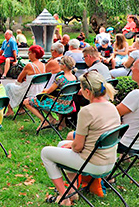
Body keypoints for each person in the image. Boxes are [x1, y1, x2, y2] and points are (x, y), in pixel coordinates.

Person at [40, 71, 120, 205]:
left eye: (81, 88)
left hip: (94, 164)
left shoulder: (87, 111)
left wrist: (72, 146)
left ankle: (64, 197)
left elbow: (77, 147)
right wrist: (70, 145)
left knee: (46, 153)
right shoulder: (112, 107)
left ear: (87, 91)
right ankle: (72, 191)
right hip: (109, 162)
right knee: (62, 144)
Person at [24, 56, 77, 131]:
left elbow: (49, 91)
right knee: (43, 99)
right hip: (68, 104)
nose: (59, 65)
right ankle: (52, 119)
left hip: (58, 105)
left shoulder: (61, 78)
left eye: (60, 63)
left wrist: (43, 91)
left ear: (64, 66)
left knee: (26, 102)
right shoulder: (74, 77)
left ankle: (44, 121)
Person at [5, 45, 47, 113]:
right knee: (21, 86)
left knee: (8, 86)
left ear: (34, 54)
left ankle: (9, 111)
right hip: (39, 90)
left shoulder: (29, 65)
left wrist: (24, 79)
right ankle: (21, 109)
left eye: (29, 52)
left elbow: (19, 80)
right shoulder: (43, 65)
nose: (28, 54)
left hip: (29, 92)